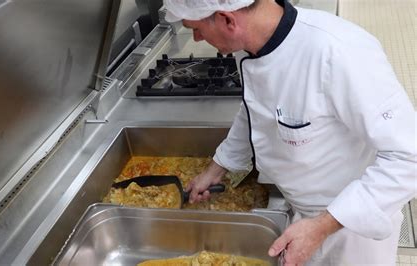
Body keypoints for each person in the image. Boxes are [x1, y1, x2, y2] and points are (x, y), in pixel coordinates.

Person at [163, 0, 417, 265]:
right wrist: (216, 169)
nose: (196, 38)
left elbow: (409, 157)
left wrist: (322, 226)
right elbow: (256, 110)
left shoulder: (339, 52)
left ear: (228, 20)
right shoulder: (250, 46)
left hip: (351, 229)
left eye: (196, 28)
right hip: (302, 212)